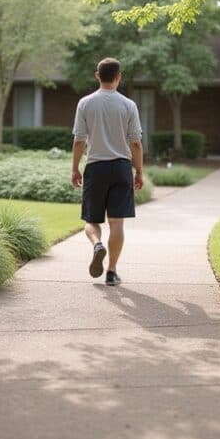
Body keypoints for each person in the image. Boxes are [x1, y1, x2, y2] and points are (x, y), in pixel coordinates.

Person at [71, 57, 144, 286]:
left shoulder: (85, 103)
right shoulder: (128, 105)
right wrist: (139, 171)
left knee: (92, 221)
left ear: (97, 75)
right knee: (117, 223)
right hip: (122, 168)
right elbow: (136, 143)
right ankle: (111, 271)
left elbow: (79, 141)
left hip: (95, 167)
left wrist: (75, 168)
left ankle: (97, 245)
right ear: (119, 76)